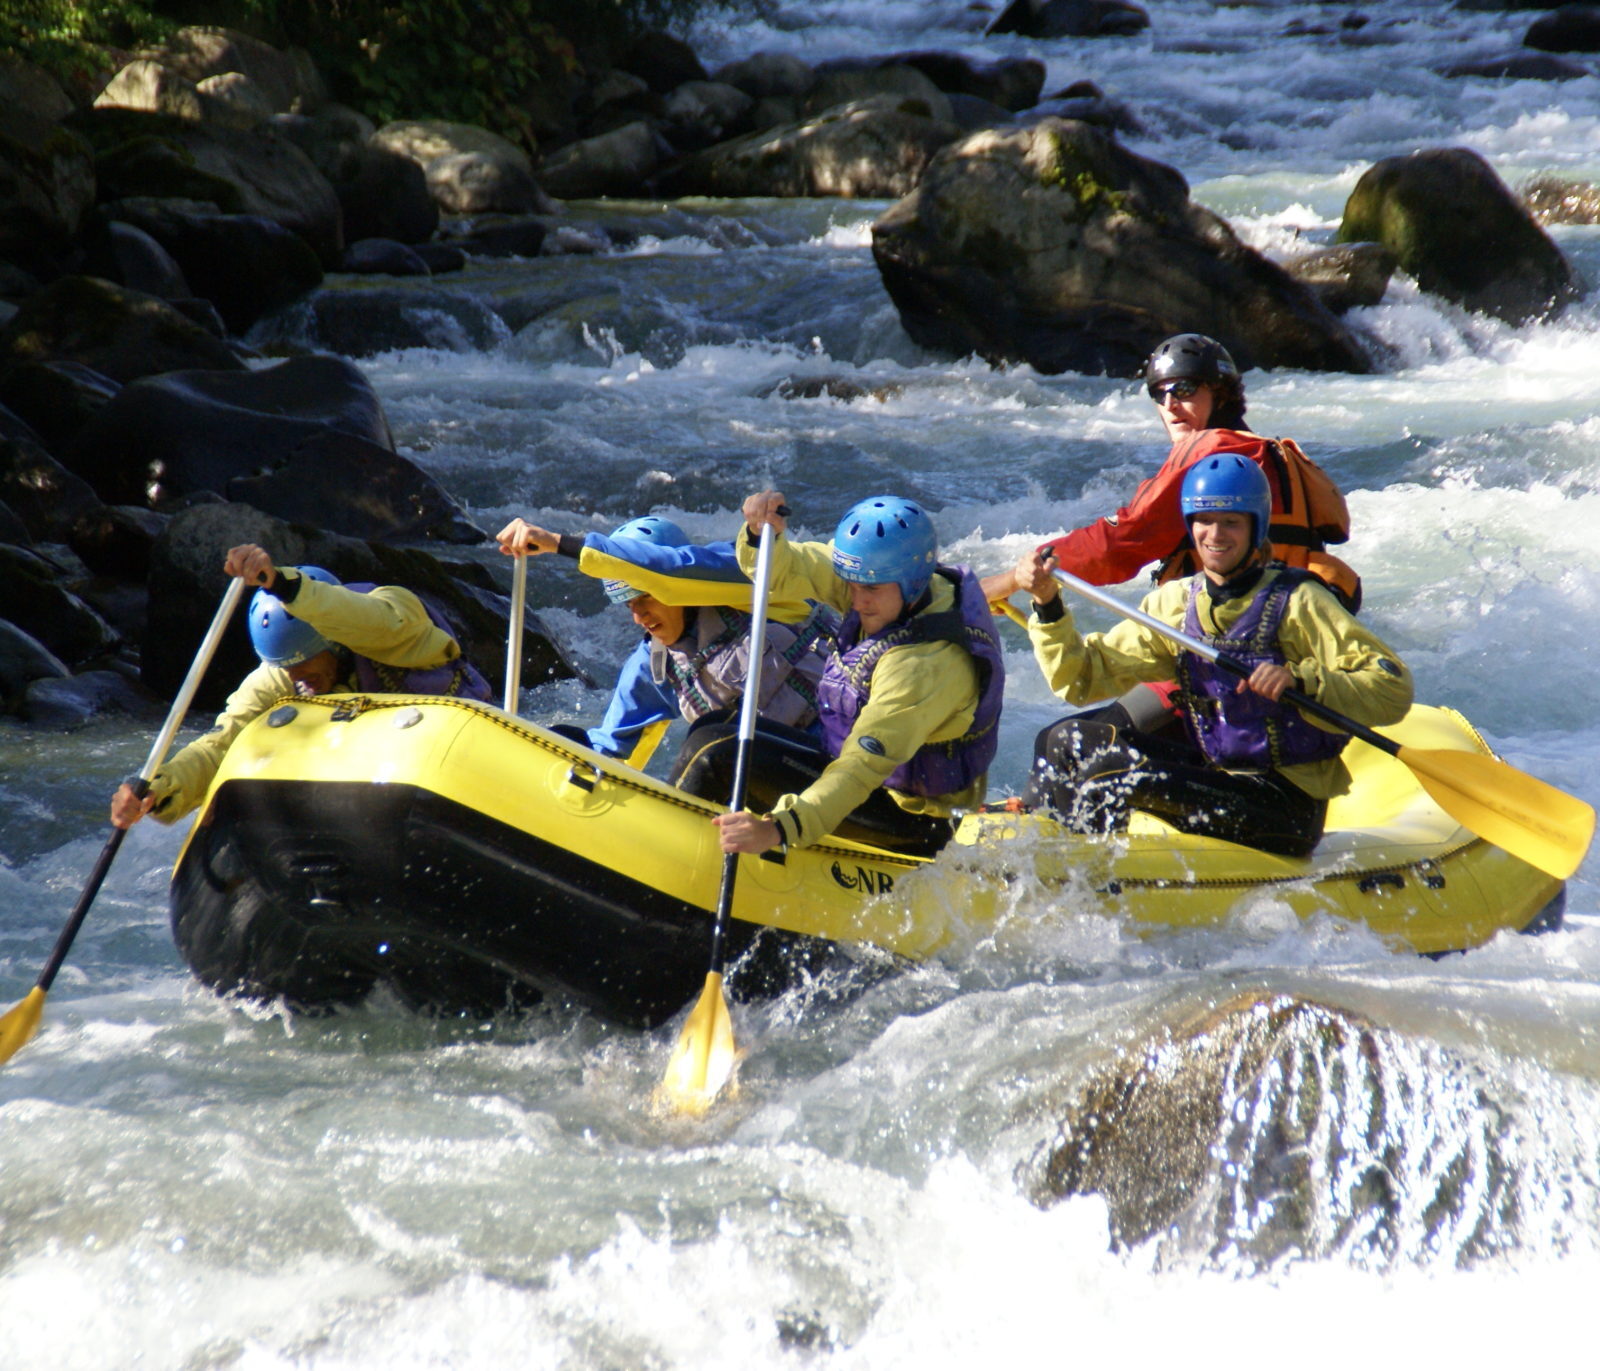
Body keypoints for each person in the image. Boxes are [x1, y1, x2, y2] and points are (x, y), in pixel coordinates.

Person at [1012, 455, 1411, 858]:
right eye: (1204, 521)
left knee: (1114, 782)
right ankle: (1046, 851)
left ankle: (1093, 884)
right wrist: (1048, 606)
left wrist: (1301, 679)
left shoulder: (1299, 600)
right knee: (1065, 739)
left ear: (1255, 527)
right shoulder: (1177, 603)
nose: (1214, 534)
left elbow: (1392, 689)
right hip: (1217, 775)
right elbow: (1081, 679)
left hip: (1283, 804)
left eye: (1231, 522)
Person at [709, 491, 1005, 859]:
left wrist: (780, 828)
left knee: (716, 755)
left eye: (869, 589)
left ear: (912, 582)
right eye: (851, 583)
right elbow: (788, 569)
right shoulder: (879, 582)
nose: (857, 600)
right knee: (718, 727)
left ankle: (710, 856)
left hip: (912, 821)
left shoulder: (924, 666)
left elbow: (860, 768)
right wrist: (760, 534)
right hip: (862, 779)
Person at [110, 543, 492, 828]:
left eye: (305, 665)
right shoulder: (284, 672)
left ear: (334, 644)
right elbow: (220, 744)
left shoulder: (396, 622)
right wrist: (157, 789)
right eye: (287, 668)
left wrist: (281, 584)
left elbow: (359, 617)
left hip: (453, 769)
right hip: (364, 802)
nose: (297, 679)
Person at [982, 332, 1362, 612]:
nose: (1169, 404)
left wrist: (1017, 576)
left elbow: (1121, 544)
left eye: (1184, 389)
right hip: (1287, 627)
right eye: (1158, 393)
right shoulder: (1277, 453)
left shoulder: (1211, 454)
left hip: (1233, 639)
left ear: (1222, 393)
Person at [495, 513, 830, 774]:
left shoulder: (746, 584)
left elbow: (672, 569)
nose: (640, 617)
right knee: (707, 745)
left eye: (647, 597)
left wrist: (557, 542)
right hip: (776, 777)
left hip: (844, 751)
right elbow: (609, 751)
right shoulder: (654, 666)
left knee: (710, 743)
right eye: (629, 604)